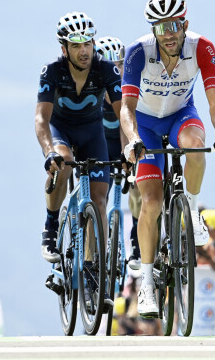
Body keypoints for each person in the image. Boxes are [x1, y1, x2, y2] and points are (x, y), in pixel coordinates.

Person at [120, 0, 215, 318]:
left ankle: (194, 212)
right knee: (152, 203)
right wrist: (132, 139)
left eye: (173, 25)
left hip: (181, 113)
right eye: (160, 27)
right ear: (153, 30)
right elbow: (126, 108)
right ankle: (146, 283)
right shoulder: (137, 52)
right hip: (145, 123)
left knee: (196, 145)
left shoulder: (202, 47)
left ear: (185, 23)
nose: (168, 33)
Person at [35, 12, 123, 308]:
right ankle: (50, 225)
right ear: (64, 49)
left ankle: (90, 270)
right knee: (62, 161)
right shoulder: (52, 72)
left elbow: (124, 113)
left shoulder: (106, 70)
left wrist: (130, 146)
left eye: (88, 43)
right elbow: (41, 119)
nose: (84, 50)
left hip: (92, 134)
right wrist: (48, 151)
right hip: (61, 131)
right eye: (76, 45)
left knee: (99, 202)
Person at [95, 36, 142, 269]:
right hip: (99, 144)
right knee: (97, 193)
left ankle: (136, 243)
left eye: (121, 64)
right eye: (110, 66)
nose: (117, 70)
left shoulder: (129, 88)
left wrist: (128, 156)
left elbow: (128, 127)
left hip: (122, 140)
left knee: (137, 183)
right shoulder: (91, 89)